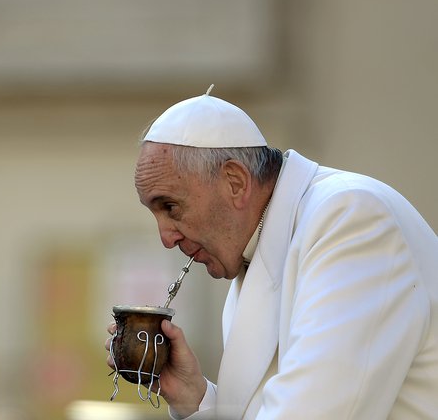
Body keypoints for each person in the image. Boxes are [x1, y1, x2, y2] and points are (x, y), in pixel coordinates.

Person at [105, 87, 438, 419]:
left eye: (170, 206)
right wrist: (196, 399)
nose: (166, 238)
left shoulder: (350, 217)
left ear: (235, 182)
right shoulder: (256, 250)